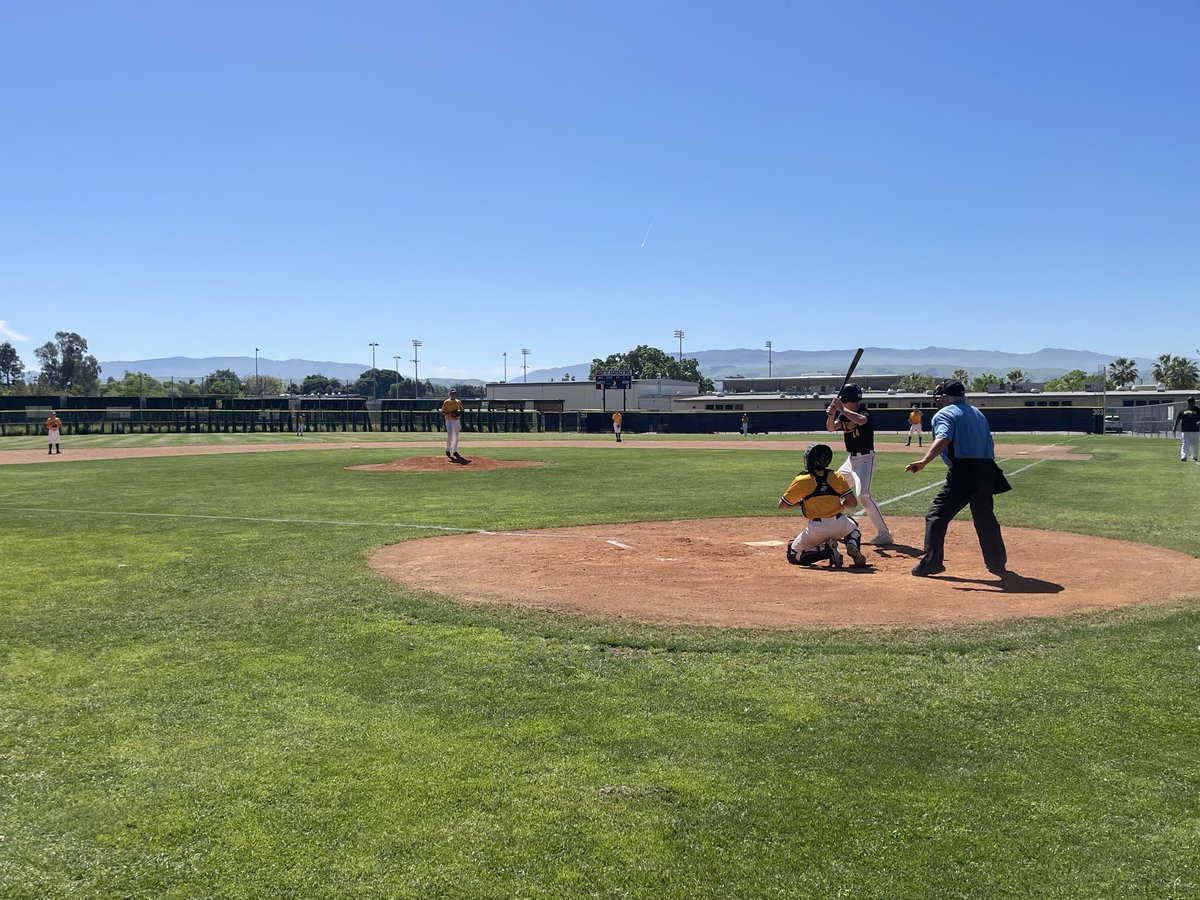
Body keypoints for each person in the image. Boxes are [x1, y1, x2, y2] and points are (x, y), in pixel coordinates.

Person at [904, 379, 1011, 577]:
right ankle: (997, 562)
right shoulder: (978, 413)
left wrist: (924, 461)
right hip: (988, 469)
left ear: (945, 398)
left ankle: (932, 562)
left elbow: (944, 438)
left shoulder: (945, 413)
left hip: (965, 471)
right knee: (985, 517)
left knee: (936, 515)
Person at [778, 443, 867, 568]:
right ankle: (852, 544)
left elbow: (783, 505)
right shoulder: (837, 476)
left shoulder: (802, 480)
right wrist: (840, 504)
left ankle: (826, 551)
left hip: (817, 529)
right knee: (853, 527)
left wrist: (801, 503)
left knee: (793, 554)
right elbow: (852, 503)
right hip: (840, 523)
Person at [826, 383, 892, 545]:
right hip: (851, 460)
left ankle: (885, 533)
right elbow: (830, 428)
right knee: (832, 488)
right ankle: (833, 527)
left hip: (865, 459)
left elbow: (861, 421)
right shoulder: (843, 414)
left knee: (863, 495)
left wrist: (841, 409)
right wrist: (831, 414)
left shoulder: (863, 412)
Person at [441, 388, 469, 464]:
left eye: (455, 393)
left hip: (456, 420)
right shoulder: (446, 402)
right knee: (450, 435)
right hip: (449, 420)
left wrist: (458, 413)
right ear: (450, 394)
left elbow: (462, 411)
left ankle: (455, 451)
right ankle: (447, 449)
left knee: (456, 436)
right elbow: (442, 412)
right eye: (452, 393)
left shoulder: (458, 402)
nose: (454, 394)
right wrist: (451, 414)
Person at [1174, 397, 1199, 462]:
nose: (1191, 404)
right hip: (1185, 430)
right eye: (1190, 403)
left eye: (1193, 403)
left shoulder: (1198, 410)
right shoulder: (1183, 410)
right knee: (1185, 443)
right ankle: (1184, 456)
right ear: (1188, 403)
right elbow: (1178, 419)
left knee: (1195, 444)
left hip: (1195, 430)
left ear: (1194, 403)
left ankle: (1194, 456)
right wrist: (1175, 426)